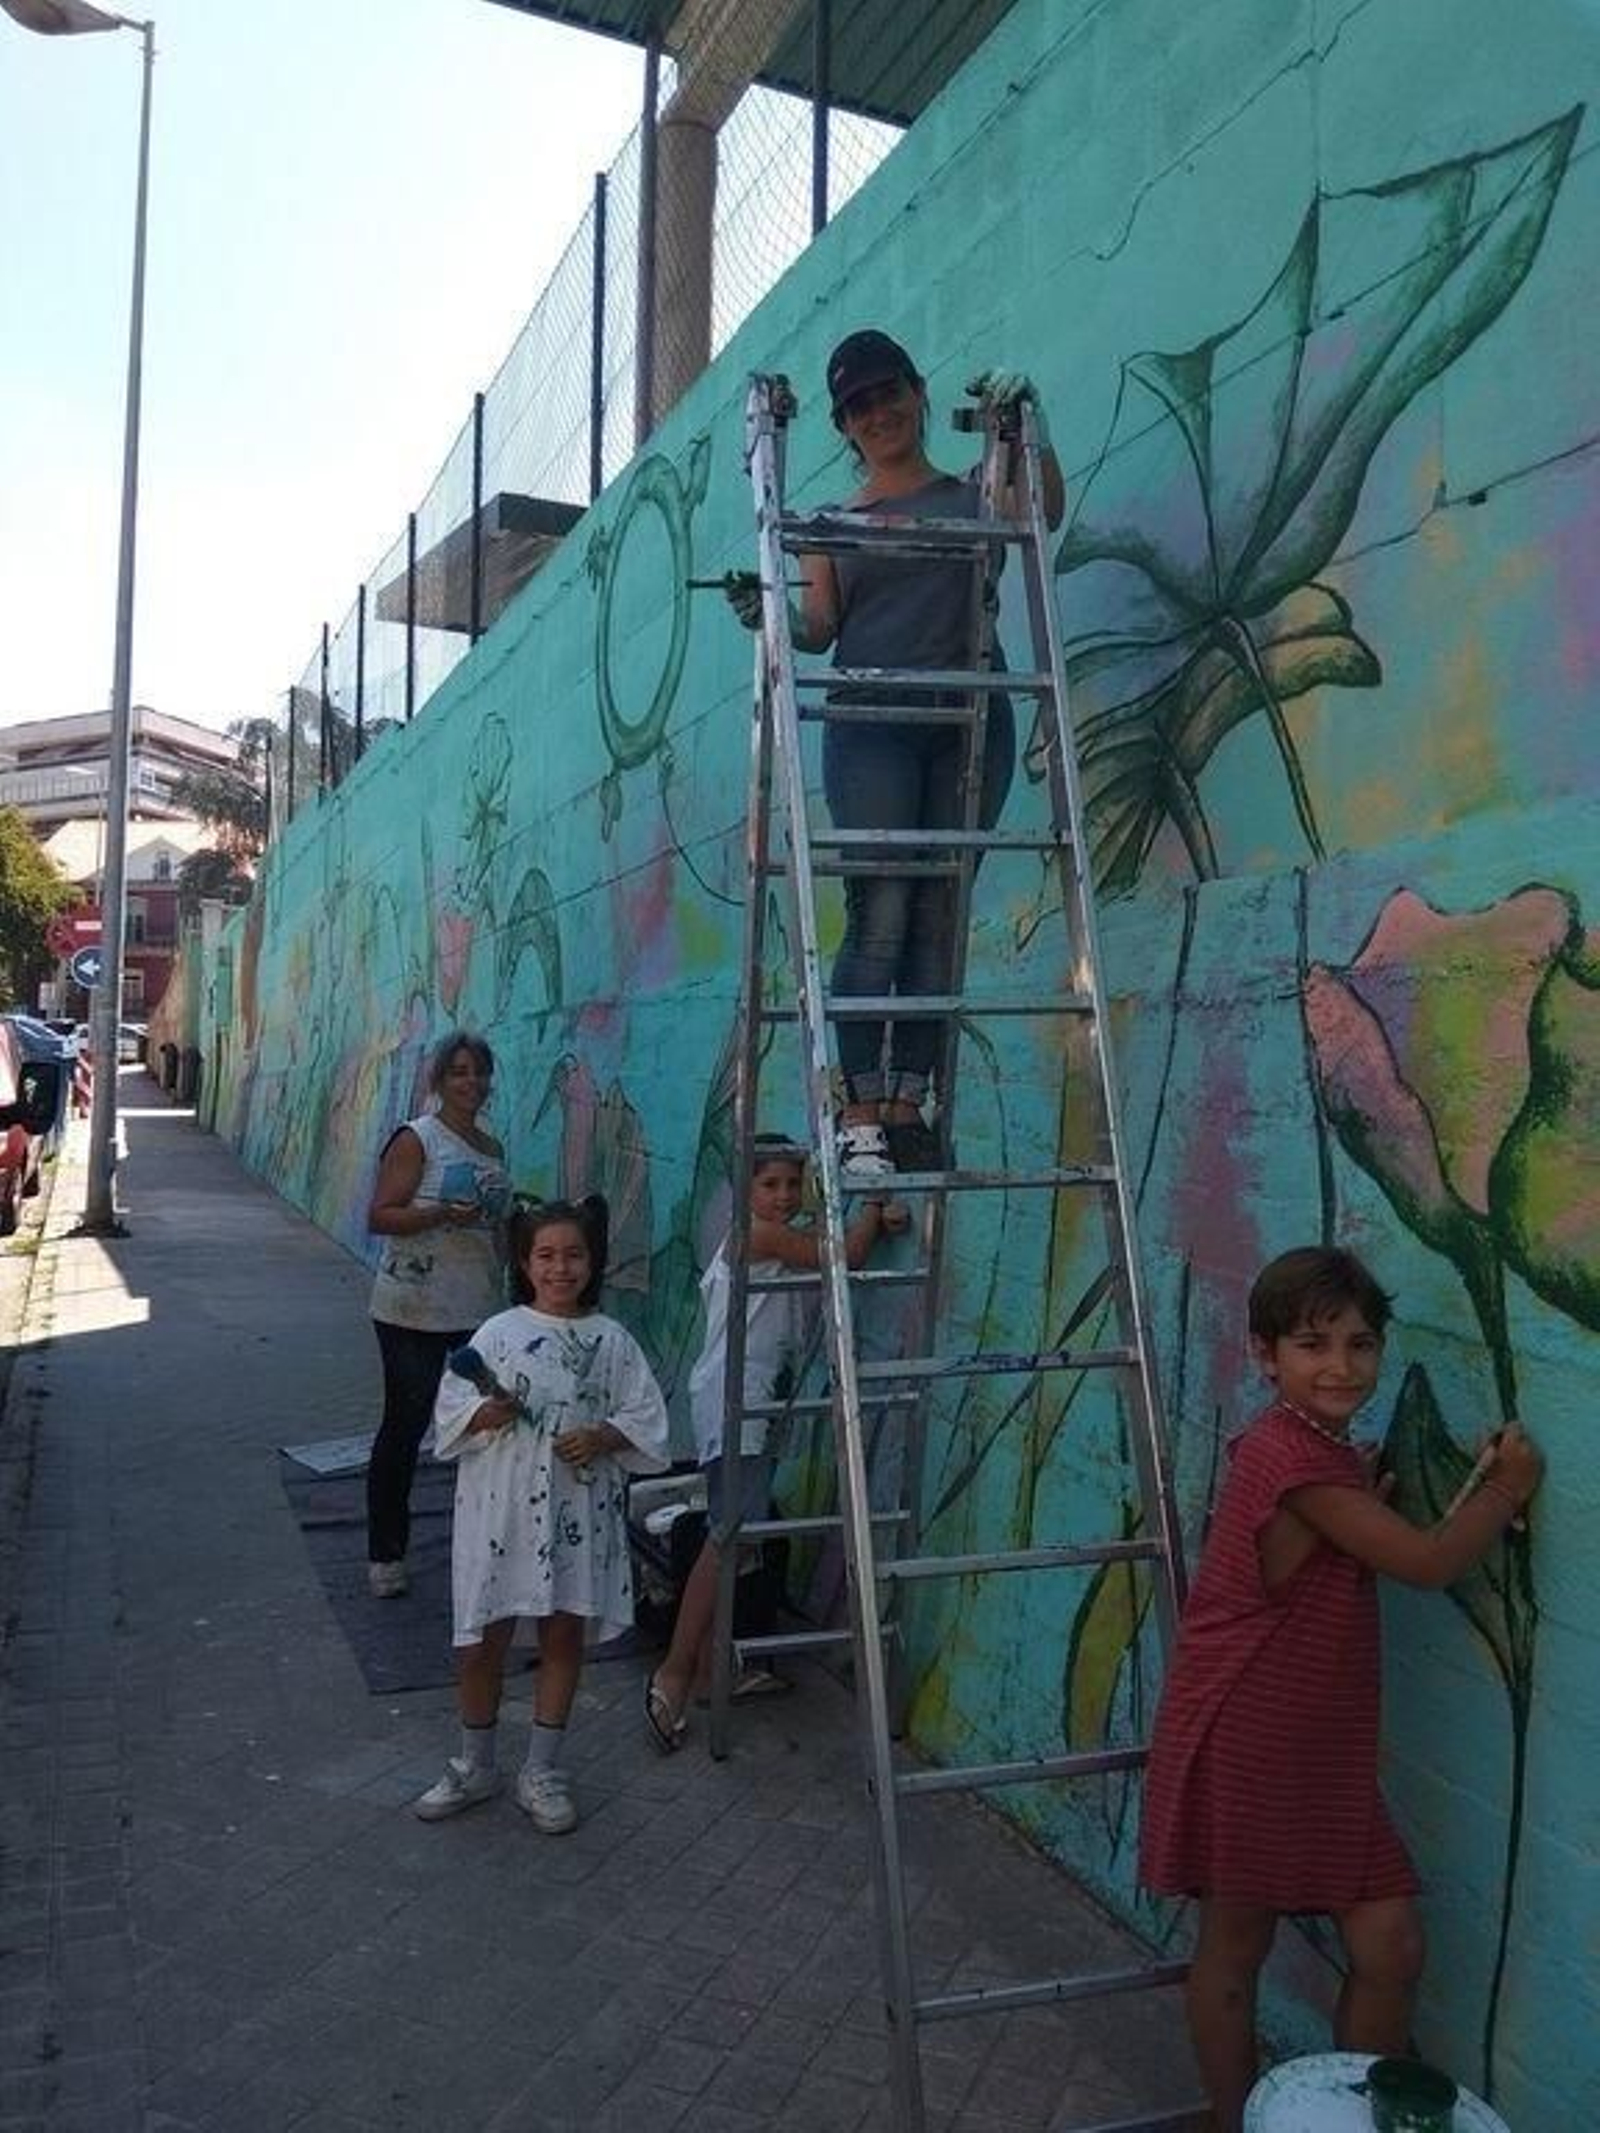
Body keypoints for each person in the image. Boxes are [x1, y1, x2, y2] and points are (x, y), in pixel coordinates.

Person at [1139, 1245, 1545, 2133]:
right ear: (1264, 1354)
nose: (1340, 1366)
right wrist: (1506, 1486)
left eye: (1360, 1345)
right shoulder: (1295, 1459)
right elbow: (1428, 1559)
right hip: (1249, 1732)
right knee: (1236, 1946)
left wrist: (1357, 1492)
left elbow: (1335, 1523)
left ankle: (1348, 2116)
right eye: (1312, 1344)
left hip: (1318, 1753)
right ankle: (1233, 2117)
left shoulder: (1316, 1454)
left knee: (1390, 1945)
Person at [729, 329, 1065, 1181]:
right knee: (881, 905)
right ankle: (862, 1112)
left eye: (887, 394)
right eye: (858, 407)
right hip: (872, 723)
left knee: (940, 909)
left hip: (968, 720)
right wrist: (766, 612)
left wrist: (1029, 428)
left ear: (918, 394)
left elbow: (1040, 514)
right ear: (844, 426)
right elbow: (818, 626)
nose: (876, 413)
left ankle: (912, 1099)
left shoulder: (976, 493)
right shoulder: (834, 522)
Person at [644, 1135, 909, 1749]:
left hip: (750, 1399)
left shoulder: (770, 1235)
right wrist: (871, 1209)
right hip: (735, 1401)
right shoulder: (756, 1235)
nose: (783, 1196)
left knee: (739, 1537)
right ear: (747, 1191)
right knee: (727, 1536)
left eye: (793, 1184)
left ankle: (711, 1671)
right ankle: (675, 1672)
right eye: (771, 1185)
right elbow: (839, 1256)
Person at [414, 1195, 669, 1833]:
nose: (561, 1268)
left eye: (574, 1255)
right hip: (497, 1518)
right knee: (480, 1640)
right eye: (546, 1256)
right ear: (525, 1263)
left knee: (561, 1633)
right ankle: (476, 1764)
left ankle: (542, 1770)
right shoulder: (496, 1335)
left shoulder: (612, 1341)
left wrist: (604, 1436)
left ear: (593, 1261)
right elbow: (448, 1417)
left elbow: (647, 1417)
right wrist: (484, 1414)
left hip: (574, 1515)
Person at [365, 1031, 509, 1598]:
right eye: (459, 1072)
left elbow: (495, 1226)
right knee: (407, 1425)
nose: (471, 1082)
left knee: (483, 1430)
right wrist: (439, 1214)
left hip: (475, 1306)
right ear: (439, 1081)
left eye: (479, 1072)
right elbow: (381, 1215)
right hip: (410, 1310)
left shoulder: (491, 1148)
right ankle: (386, 1554)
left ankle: (481, 1549)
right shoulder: (418, 1140)